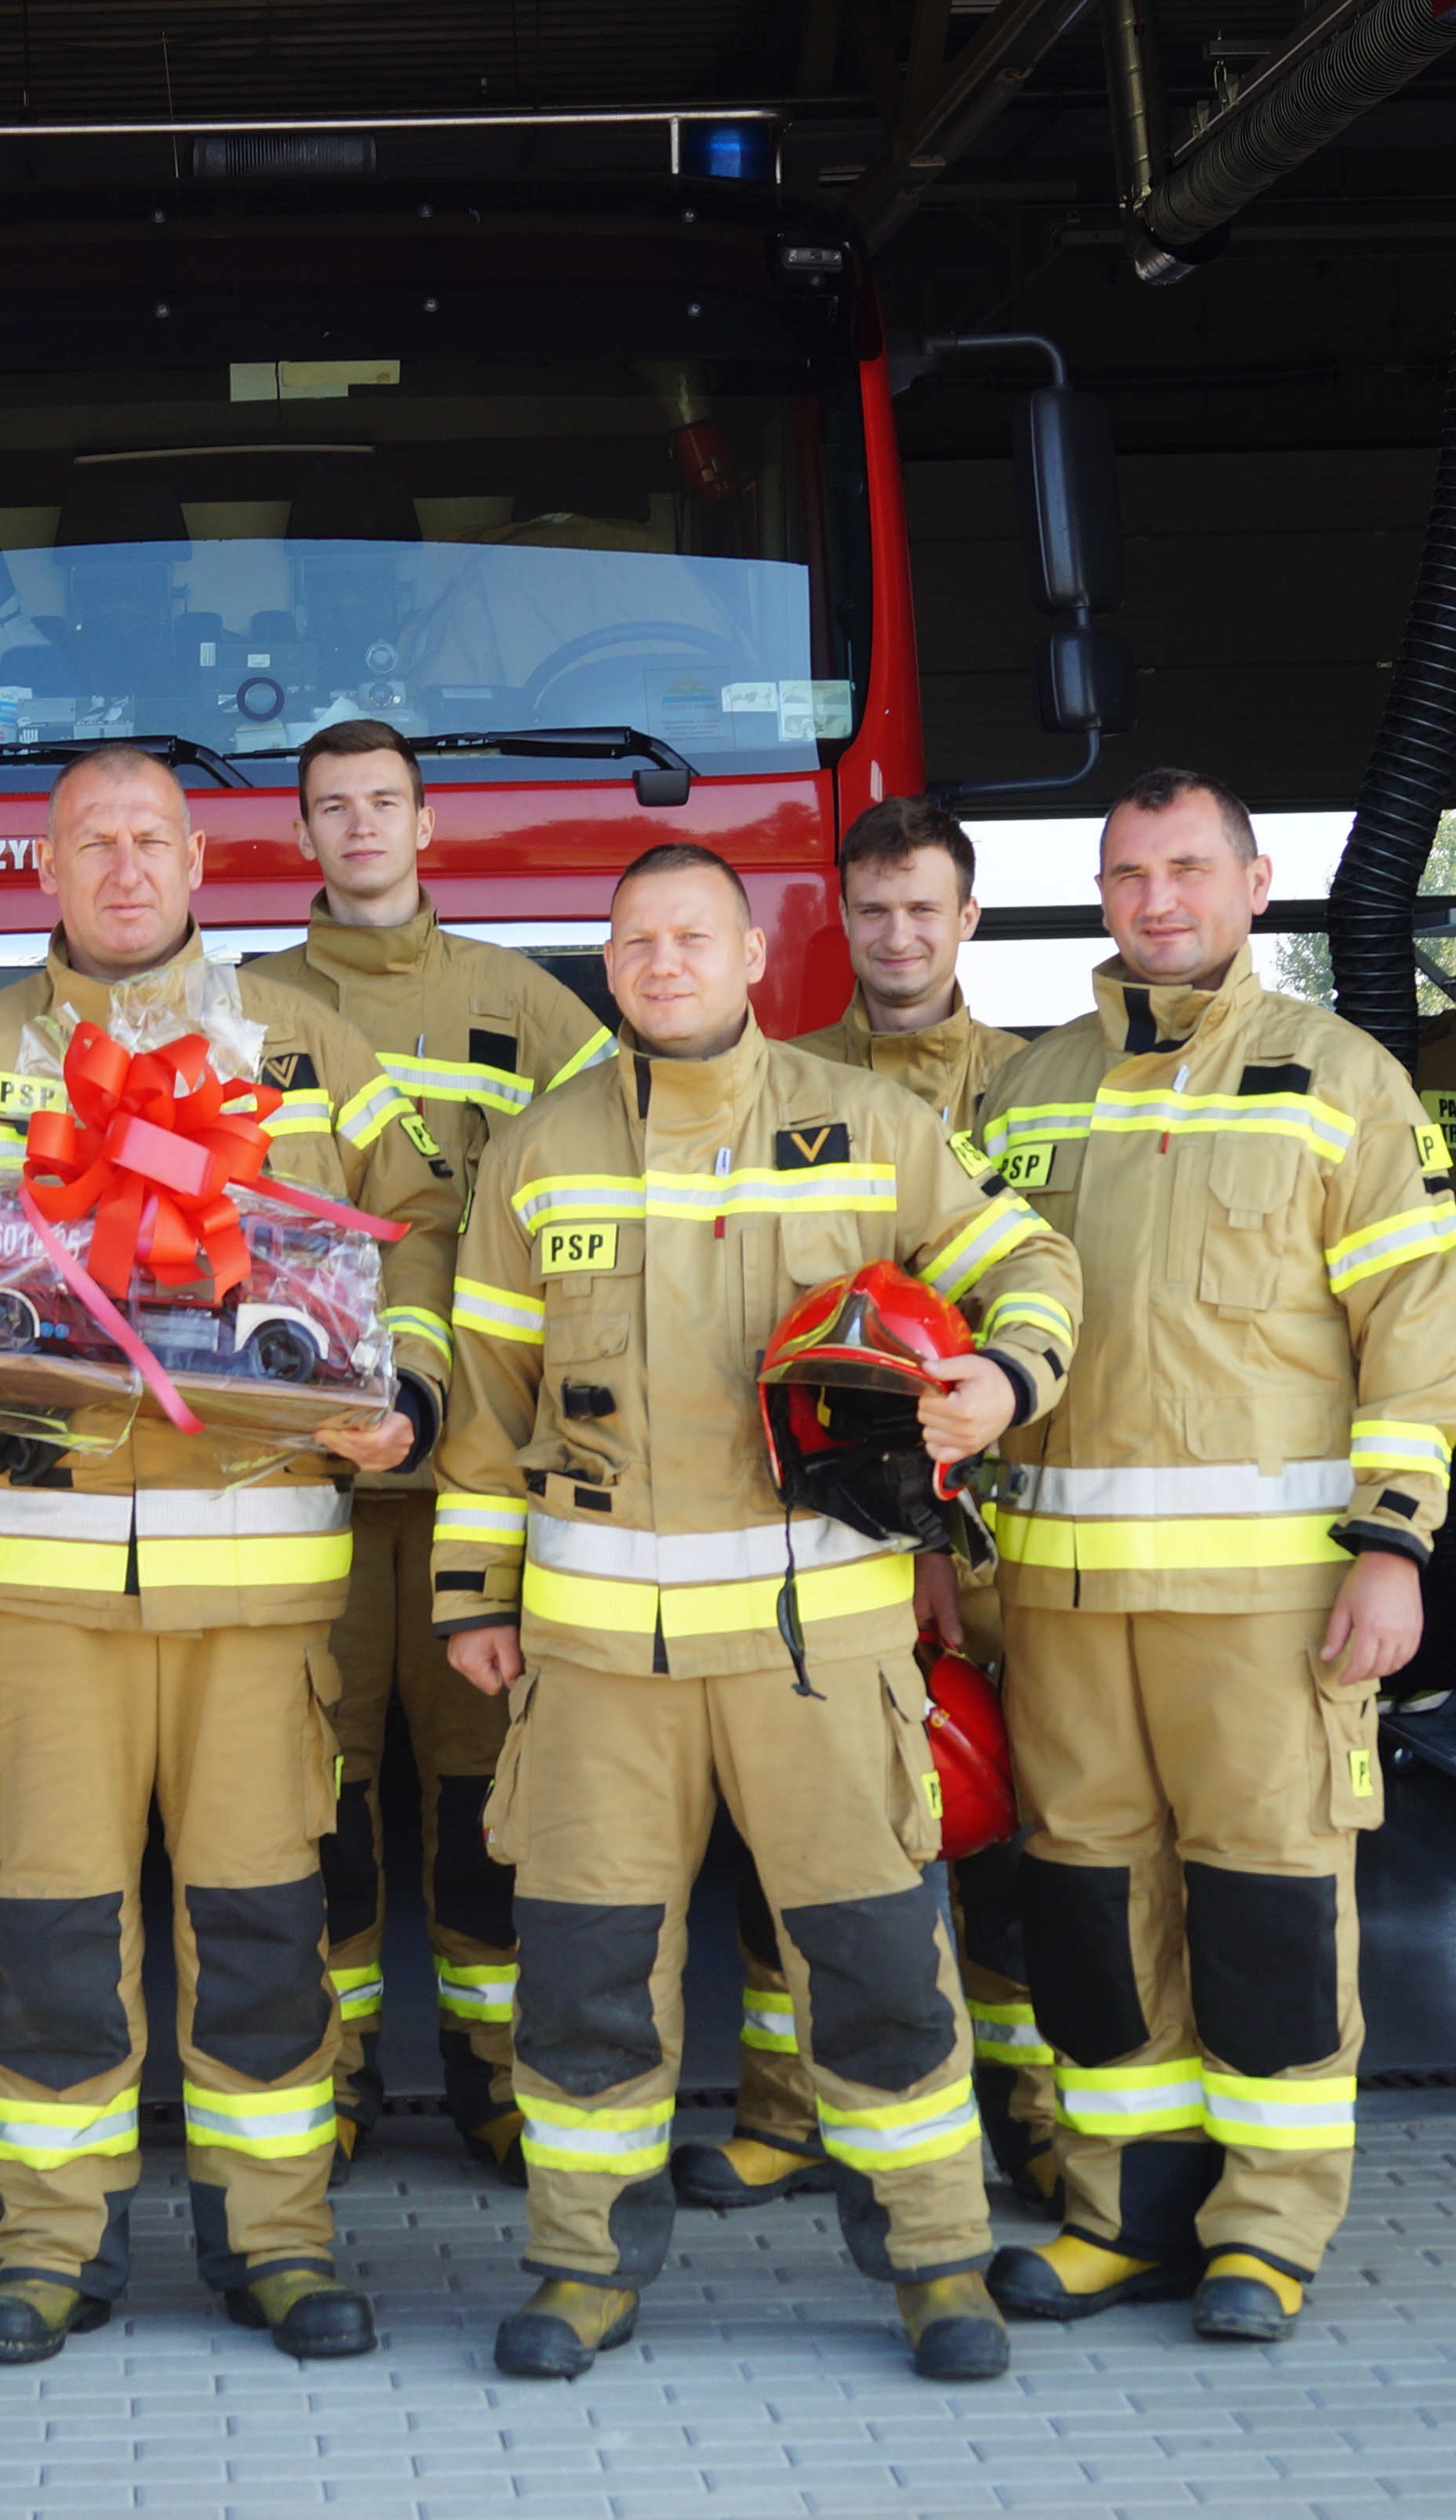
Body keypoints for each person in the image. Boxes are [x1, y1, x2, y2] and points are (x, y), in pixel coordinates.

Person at [0, 747, 459, 2366]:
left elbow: (423, 1227)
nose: (122, 865)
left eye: (149, 836)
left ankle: (277, 2241)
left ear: (198, 858)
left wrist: (413, 1390)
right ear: (43, 866)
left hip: (262, 1587)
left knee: (264, 1933)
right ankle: (51, 2246)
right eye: (90, 840)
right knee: (49, 1941)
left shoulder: (308, 1045)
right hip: (40, 1594)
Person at [433, 843, 1073, 2384]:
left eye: (692, 936)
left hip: (818, 1656)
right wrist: (470, 1593)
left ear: (749, 957)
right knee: (585, 1978)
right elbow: (487, 1401)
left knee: (876, 1964)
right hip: (598, 1664)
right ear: (609, 961)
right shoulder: (539, 1150)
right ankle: (582, 2266)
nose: (662, 962)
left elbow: (1030, 1259)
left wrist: (1004, 1375)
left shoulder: (871, 1124)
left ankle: (935, 2262)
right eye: (635, 939)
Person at [975, 769, 1456, 2344]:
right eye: (1129, 873)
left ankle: (1264, 2226)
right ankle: (1120, 2214)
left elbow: (1422, 1325)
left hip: (1270, 1608)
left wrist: (1393, 1545)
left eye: (1189, 868)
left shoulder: (1340, 1078)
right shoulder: (1026, 1090)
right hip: (1061, 1602)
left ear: (1254, 885)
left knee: (1266, 1909)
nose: (1158, 900)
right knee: (1089, 1910)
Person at [243, 718, 615, 2178]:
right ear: (302, 834)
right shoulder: (243, 1006)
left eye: (383, 803)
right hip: (306, 1472)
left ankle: (500, 2080)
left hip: (479, 1471)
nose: (360, 827)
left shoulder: (525, 1007)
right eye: (332, 806)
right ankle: (324, 2086)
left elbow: (622, 1170)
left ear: (426, 824)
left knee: (485, 1800)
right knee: (313, 1797)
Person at [687, 794, 1061, 2216]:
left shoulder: (1044, 1087)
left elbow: (1050, 1281)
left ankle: (1029, 2115)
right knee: (802, 1836)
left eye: (925, 909)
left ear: (969, 918)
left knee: (1007, 1823)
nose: (899, 935)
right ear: (837, 919)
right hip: (837, 1532)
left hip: (1012, 1520)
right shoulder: (773, 1084)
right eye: (873, 909)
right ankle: (786, 2115)